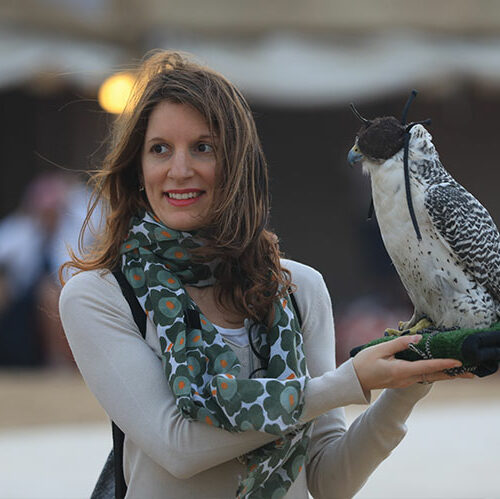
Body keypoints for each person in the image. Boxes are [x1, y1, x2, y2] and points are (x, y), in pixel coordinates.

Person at [59, 50, 471, 499]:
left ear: (236, 163)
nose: (179, 170)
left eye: (203, 147)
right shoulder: (100, 296)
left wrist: (408, 383)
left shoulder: (299, 288)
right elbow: (177, 447)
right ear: (138, 168)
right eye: (160, 149)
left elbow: (329, 480)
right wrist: (348, 382)